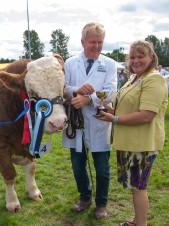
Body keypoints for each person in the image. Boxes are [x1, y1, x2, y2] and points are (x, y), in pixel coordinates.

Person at [95, 40, 168, 226]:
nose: (135, 60)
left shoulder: (154, 79)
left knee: (138, 187)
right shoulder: (134, 79)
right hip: (129, 142)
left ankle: (140, 224)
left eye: (140, 56)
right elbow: (125, 109)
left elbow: (146, 115)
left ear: (151, 57)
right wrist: (109, 112)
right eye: (132, 57)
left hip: (141, 144)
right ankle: (137, 220)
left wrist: (116, 120)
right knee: (134, 187)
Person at [62, 22, 117, 219]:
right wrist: (76, 91)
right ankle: (84, 197)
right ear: (83, 41)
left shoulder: (109, 64)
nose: (96, 46)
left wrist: (89, 99)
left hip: (99, 122)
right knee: (78, 167)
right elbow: (64, 88)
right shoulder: (69, 63)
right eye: (92, 42)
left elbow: (111, 92)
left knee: (102, 169)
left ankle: (101, 203)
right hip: (76, 124)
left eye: (100, 42)